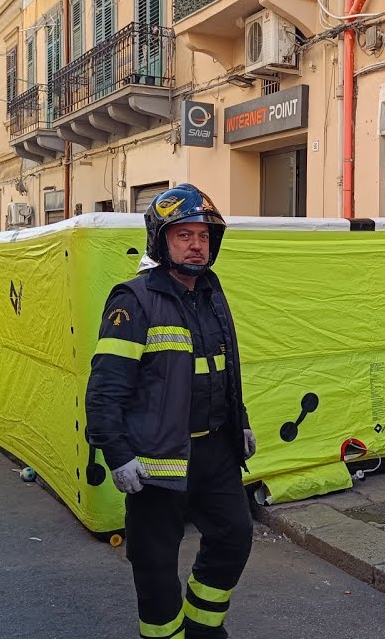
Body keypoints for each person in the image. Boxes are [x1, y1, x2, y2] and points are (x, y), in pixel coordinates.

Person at [86, 183, 257, 639]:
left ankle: (203, 628)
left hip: (214, 454)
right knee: (156, 564)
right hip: (156, 460)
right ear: (161, 241)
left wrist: (239, 423)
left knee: (233, 538)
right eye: (184, 235)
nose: (196, 244)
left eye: (202, 235)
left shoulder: (211, 292)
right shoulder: (134, 300)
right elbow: (105, 389)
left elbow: (223, 368)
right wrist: (117, 454)